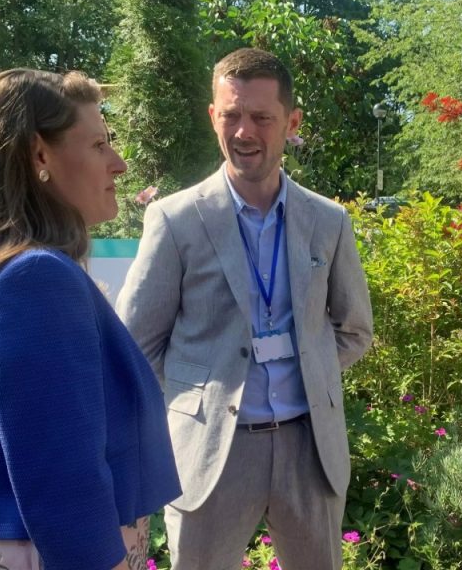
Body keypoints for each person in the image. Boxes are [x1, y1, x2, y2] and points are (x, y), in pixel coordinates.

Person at [116, 48, 373, 570]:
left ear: (291, 122)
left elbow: (354, 330)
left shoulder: (328, 221)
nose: (243, 132)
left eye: (261, 117)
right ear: (213, 116)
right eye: (231, 115)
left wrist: (310, 367)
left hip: (309, 449)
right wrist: (202, 389)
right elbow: (137, 343)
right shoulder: (175, 221)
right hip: (211, 452)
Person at [0, 69, 181, 570]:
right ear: (40, 155)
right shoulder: (34, 279)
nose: (119, 164)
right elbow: (61, 475)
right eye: (99, 145)